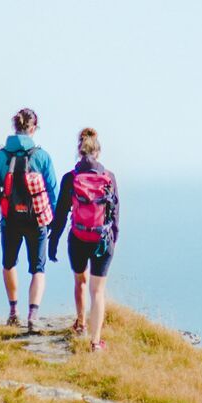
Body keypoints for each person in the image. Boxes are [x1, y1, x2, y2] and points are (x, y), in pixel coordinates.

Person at [0, 106, 58, 331]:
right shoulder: (42, 156)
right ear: (33, 128)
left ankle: (13, 311)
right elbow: (52, 191)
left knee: (9, 263)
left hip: (10, 220)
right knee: (38, 269)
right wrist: (51, 221)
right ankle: (33, 315)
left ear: (15, 127)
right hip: (37, 221)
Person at [51, 126, 119, 352]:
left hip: (78, 238)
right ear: (98, 152)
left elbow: (60, 214)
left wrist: (53, 243)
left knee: (80, 281)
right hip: (103, 241)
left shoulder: (70, 178)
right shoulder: (109, 178)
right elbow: (115, 215)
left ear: (79, 152)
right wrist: (112, 241)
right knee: (97, 291)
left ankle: (80, 323)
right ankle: (95, 341)